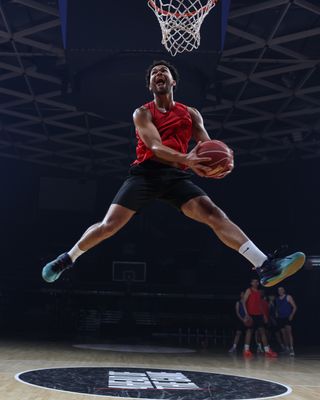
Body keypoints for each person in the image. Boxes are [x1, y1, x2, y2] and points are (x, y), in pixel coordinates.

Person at [41, 60, 305, 288]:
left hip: (176, 177)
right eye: (154, 73)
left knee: (215, 215)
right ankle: (68, 259)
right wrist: (188, 159)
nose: (158, 74)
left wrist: (222, 162)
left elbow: (207, 146)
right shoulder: (143, 112)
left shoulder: (191, 113)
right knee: (109, 226)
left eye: (163, 71)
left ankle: (265, 266)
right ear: (150, 85)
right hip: (145, 174)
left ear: (173, 81)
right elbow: (155, 147)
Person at [242, 279, 277, 358]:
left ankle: (267, 351)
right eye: (254, 281)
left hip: (259, 314)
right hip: (251, 314)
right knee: (249, 331)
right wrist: (246, 314)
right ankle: (246, 350)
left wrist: (264, 315)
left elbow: (259, 305)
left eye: (257, 282)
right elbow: (243, 302)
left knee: (262, 332)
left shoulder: (258, 292)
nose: (256, 283)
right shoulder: (249, 290)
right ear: (251, 283)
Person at [276, 286, 297, 356]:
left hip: (287, 317)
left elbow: (294, 307)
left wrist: (291, 315)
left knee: (289, 333)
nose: (280, 291)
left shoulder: (288, 297)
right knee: (283, 334)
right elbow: (278, 308)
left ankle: (291, 349)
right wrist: (277, 314)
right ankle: (287, 348)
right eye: (278, 290)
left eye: (281, 289)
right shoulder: (277, 299)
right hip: (280, 318)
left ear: (284, 290)